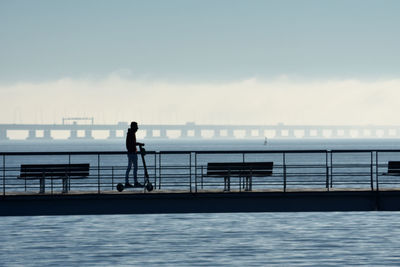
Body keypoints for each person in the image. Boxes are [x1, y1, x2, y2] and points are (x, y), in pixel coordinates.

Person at [125, 121, 144, 188]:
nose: (137, 128)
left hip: (130, 152)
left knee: (130, 167)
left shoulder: (130, 133)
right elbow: (133, 143)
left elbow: (131, 143)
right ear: (133, 127)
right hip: (132, 152)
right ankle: (135, 182)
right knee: (134, 168)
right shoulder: (131, 133)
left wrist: (138, 144)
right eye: (136, 127)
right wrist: (139, 144)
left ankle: (127, 182)